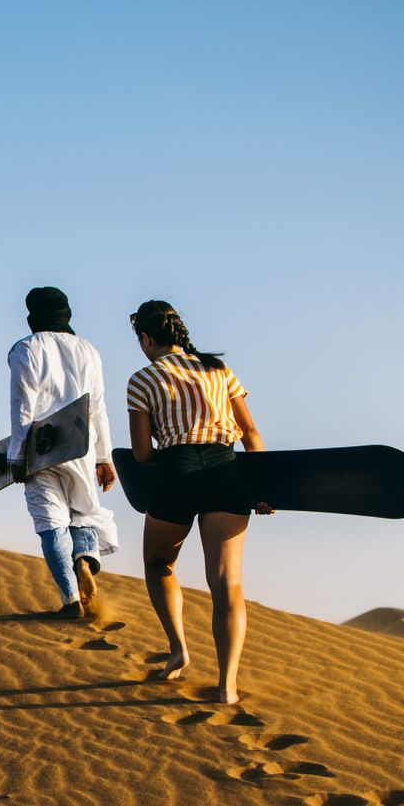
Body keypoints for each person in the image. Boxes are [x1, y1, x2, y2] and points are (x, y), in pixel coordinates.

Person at [125, 299, 270, 704]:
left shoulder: (142, 380)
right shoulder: (218, 370)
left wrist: (173, 459)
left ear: (148, 338)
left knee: (158, 563)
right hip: (228, 471)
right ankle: (228, 686)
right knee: (228, 583)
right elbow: (250, 431)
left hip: (177, 471)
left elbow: (140, 454)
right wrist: (260, 485)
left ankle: (178, 649)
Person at [8, 286, 120, 618]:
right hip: (80, 446)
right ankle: (84, 559)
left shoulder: (25, 349)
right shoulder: (89, 350)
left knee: (50, 521)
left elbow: (22, 409)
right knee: (83, 511)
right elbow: (98, 408)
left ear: (32, 316)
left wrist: (17, 457)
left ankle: (71, 600)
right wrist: (104, 457)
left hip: (39, 449)